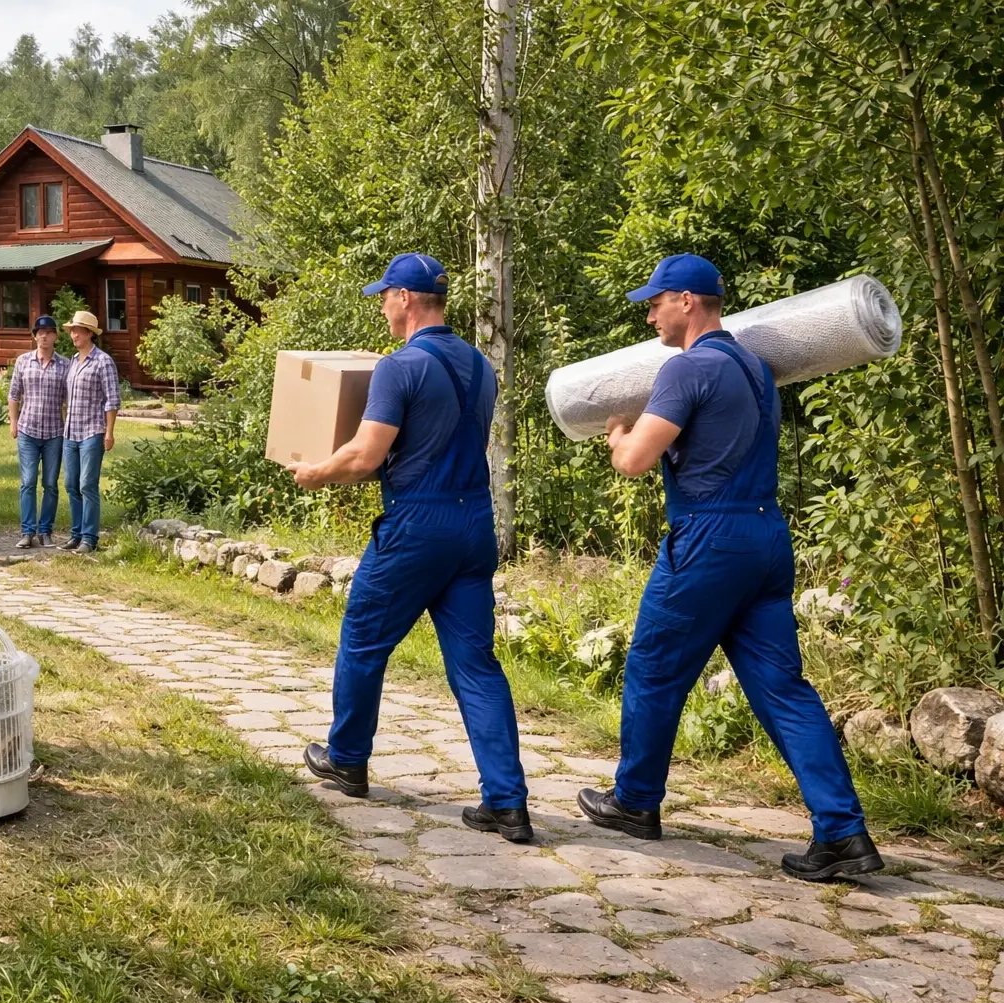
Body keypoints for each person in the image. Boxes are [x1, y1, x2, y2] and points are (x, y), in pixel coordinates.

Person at [583, 253, 882, 881]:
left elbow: (636, 460)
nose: (650, 313)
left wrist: (615, 432)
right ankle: (844, 833)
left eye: (656, 301)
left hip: (709, 539)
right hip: (766, 536)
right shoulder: (756, 367)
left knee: (654, 669)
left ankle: (634, 802)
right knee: (784, 689)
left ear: (687, 301)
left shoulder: (685, 369)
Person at [287, 253, 532, 842]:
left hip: (417, 525)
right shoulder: (480, 366)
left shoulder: (399, 369)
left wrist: (319, 472)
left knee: (364, 638)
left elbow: (369, 456)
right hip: (474, 523)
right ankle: (507, 801)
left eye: (384, 295)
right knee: (476, 666)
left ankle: (347, 760)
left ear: (404, 297)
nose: (381, 306)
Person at [61, 310, 120, 554]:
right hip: (70, 433)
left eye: (77, 330)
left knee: (87, 484)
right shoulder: (73, 361)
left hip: (92, 432)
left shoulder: (103, 361)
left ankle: (90, 538)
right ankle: (76, 534)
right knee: (71, 484)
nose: (73, 334)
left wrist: (109, 432)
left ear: (89, 333)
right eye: (72, 330)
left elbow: (112, 400)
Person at [8, 315, 69, 548]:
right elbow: (14, 395)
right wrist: (14, 423)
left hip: (54, 432)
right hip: (28, 431)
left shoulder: (65, 365)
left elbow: (70, 399)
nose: (44, 336)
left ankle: (45, 531)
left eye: (49, 332)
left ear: (55, 336)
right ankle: (27, 532)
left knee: (51, 483)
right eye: (40, 332)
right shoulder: (23, 362)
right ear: (34, 336)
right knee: (28, 481)